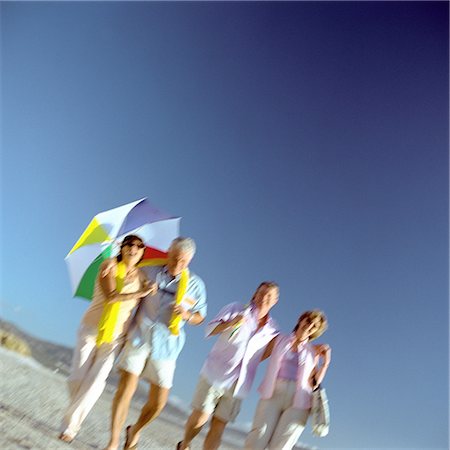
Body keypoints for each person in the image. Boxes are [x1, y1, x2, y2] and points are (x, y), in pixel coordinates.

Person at [105, 237, 207, 450]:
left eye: (183, 262)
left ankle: (135, 430)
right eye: (175, 258)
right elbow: (127, 265)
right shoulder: (149, 270)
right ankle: (113, 442)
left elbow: (201, 317)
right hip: (139, 336)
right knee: (125, 389)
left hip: (167, 346)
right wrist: (115, 264)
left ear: (190, 261)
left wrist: (188, 315)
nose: (178, 265)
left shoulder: (196, 285)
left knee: (158, 403)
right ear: (168, 251)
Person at [59, 234, 154, 443]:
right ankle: (72, 417)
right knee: (77, 378)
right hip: (91, 328)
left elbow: (154, 296)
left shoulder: (143, 277)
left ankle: (70, 428)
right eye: (130, 244)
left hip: (116, 337)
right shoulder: (108, 264)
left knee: (95, 383)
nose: (134, 248)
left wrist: (150, 290)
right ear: (122, 247)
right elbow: (112, 296)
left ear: (143, 252)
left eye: (139, 246)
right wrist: (141, 293)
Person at [177, 282, 280, 450]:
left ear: (275, 301)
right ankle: (185, 445)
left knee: (219, 426)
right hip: (214, 372)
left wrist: (250, 361)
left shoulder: (273, 329)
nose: (264, 299)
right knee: (200, 418)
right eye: (261, 293)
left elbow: (267, 352)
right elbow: (209, 329)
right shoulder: (237, 308)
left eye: (269, 296)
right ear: (255, 294)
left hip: (239, 384)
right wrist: (231, 323)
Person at [244, 310, 331, 450]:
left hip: (299, 403)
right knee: (256, 440)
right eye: (308, 321)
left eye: (314, 326)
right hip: (273, 394)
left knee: (281, 446)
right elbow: (258, 356)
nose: (309, 326)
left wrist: (325, 364)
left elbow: (313, 384)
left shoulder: (313, 352)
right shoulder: (279, 339)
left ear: (315, 332)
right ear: (301, 320)